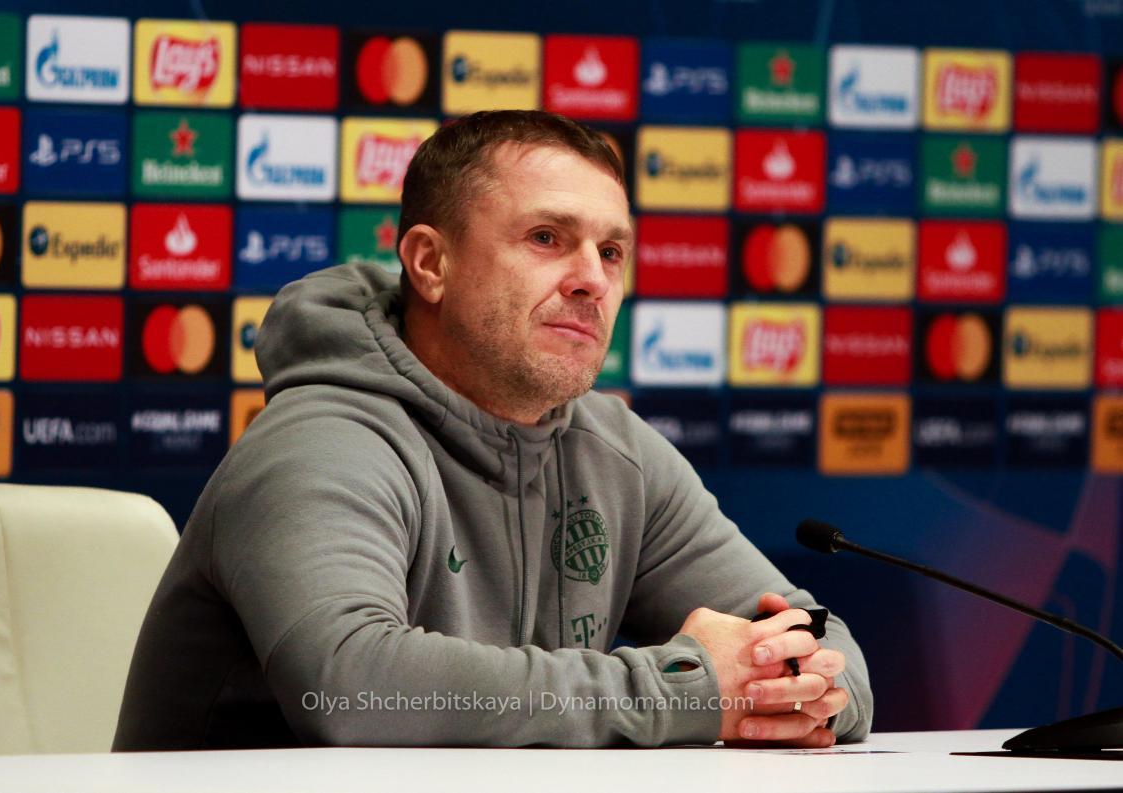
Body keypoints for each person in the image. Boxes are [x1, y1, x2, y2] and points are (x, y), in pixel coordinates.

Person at [114, 110, 872, 750]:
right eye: (547, 237)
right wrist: (681, 688)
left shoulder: (617, 453)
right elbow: (350, 685)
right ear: (430, 264)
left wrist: (801, 692)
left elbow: (827, 648)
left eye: (611, 251)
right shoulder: (321, 440)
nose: (593, 279)